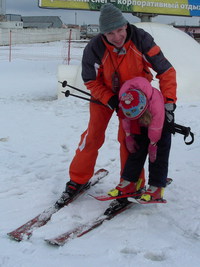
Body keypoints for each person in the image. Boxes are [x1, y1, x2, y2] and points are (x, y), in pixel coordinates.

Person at [56, 3, 177, 207]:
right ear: (103, 33)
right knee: (93, 136)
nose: (117, 36)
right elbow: (90, 80)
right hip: (105, 96)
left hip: (136, 100)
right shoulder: (94, 47)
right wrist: (111, 99)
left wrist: (169, 103)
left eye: (120, 30)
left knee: (130, 140)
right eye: (110, 33)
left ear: (126, 25)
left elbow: (166, 71)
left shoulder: (141, 39)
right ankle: (78, 179)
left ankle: (131, 182)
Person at [108, 76, 169, 202]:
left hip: (160, 126)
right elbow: (125, 118)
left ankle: (156, 186)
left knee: (158, 156)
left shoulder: (155, 100)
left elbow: (156, 125)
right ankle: (129, 182)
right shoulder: (124, 99)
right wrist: (129, 135)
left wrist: (153, 143)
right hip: (138, 124)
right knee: (136, 152)